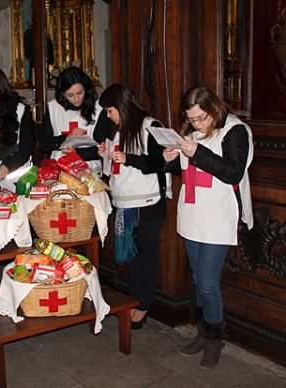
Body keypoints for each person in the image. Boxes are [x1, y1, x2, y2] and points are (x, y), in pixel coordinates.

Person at [163, 86, 253, 367]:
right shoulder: (190, 134)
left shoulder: (235, 131)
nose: (197, 124)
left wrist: (197, 152)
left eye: (202, 118)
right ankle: (203, 332)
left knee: (207, 282)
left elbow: (231, 172)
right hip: (192, 214)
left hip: (217, 216)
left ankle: (215, 338)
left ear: (213, 107)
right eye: (192, 120)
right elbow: (192, 172)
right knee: (196, 280)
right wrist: (171, 162)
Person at [97, 83, 172, 330]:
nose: (108, 116)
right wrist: (104, 153)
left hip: (147, 202)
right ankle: (135, 299)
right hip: (123, 201)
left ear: (121, 106)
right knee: (133, 257)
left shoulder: (150, 126)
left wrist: (128, 158)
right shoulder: (115, 130)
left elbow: (158, 163)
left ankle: (143, 305)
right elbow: (112, 169)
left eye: (110, 110)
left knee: (147, 255)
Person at [40, 67, 111, 169]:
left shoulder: (99, 108)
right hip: (60, 167)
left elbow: (102, 147)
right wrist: (67, 137)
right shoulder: (53, 108)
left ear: (86, 89)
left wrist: (76, 153)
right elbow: (45, 145)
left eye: (80, 93)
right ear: (62, 94)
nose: (76, 98)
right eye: (70, 95)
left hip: (90, 168)